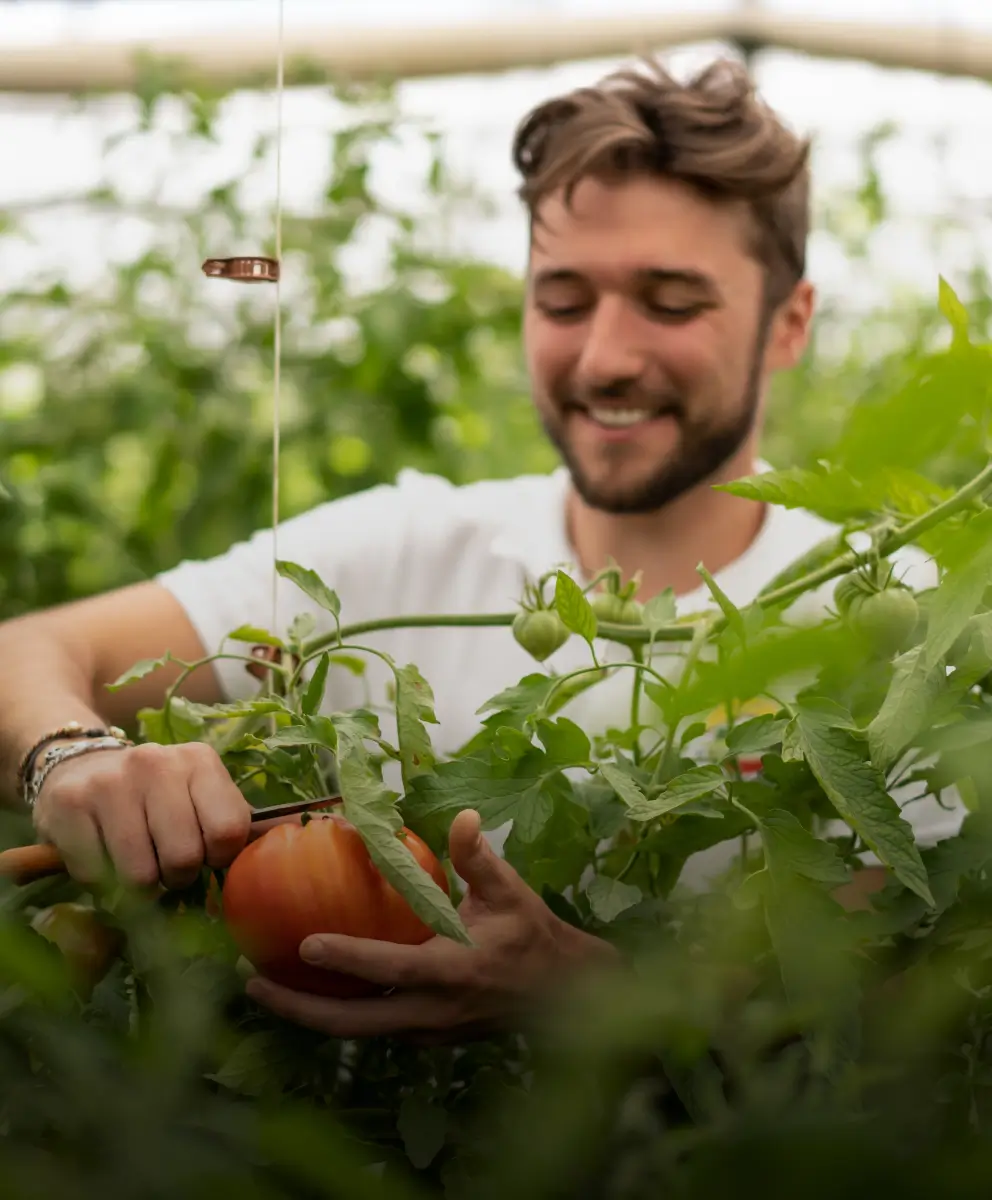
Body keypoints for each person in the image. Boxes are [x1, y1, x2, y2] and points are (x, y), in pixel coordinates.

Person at [0, 56, 957, 1039]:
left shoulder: (898, 626)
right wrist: (66, 757)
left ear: (786, 323)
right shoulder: (401, 556)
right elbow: (25, 654)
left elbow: (903, 1013)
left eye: (671, 302)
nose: (604, 358)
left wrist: (602, 1004)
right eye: (562, 299)